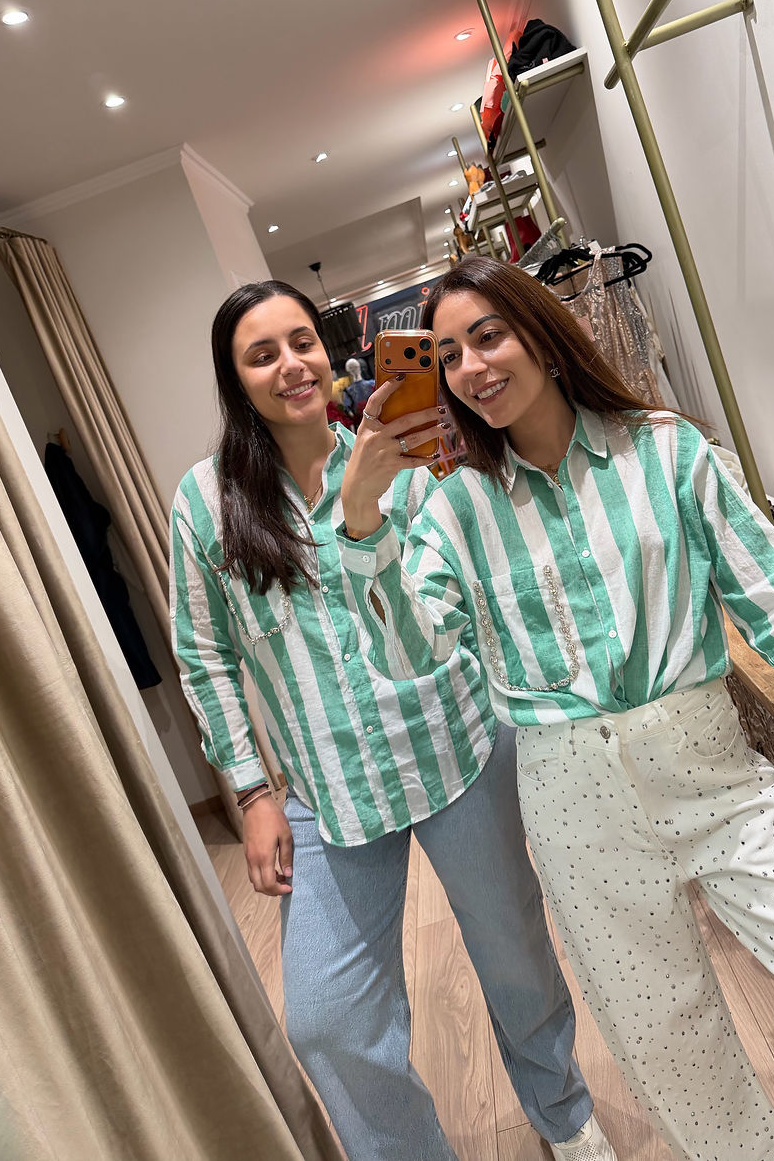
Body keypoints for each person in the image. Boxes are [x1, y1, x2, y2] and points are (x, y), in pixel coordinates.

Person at [337, 255, 774, 1161]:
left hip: (717, 777)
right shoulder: (454, 507)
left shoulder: (667, 450)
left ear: (542, 334)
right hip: (574, 803)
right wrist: (364, 522)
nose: (470, 368)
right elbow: (410, 654)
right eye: (448, 354)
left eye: (488, 336)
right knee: (686, 1074)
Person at [168, 279, 612, 1161]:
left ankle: (565, 1117)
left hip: (455, 743)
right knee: (325, 1019)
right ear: (235, 379)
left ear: (330, 353)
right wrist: (251, 792)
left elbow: (470, 593)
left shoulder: (412, 454)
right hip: (327, 788)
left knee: (514, 955)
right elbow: (204, 652)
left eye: (302, 342)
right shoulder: (208, 503)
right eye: (262, 354)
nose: (291, 365)